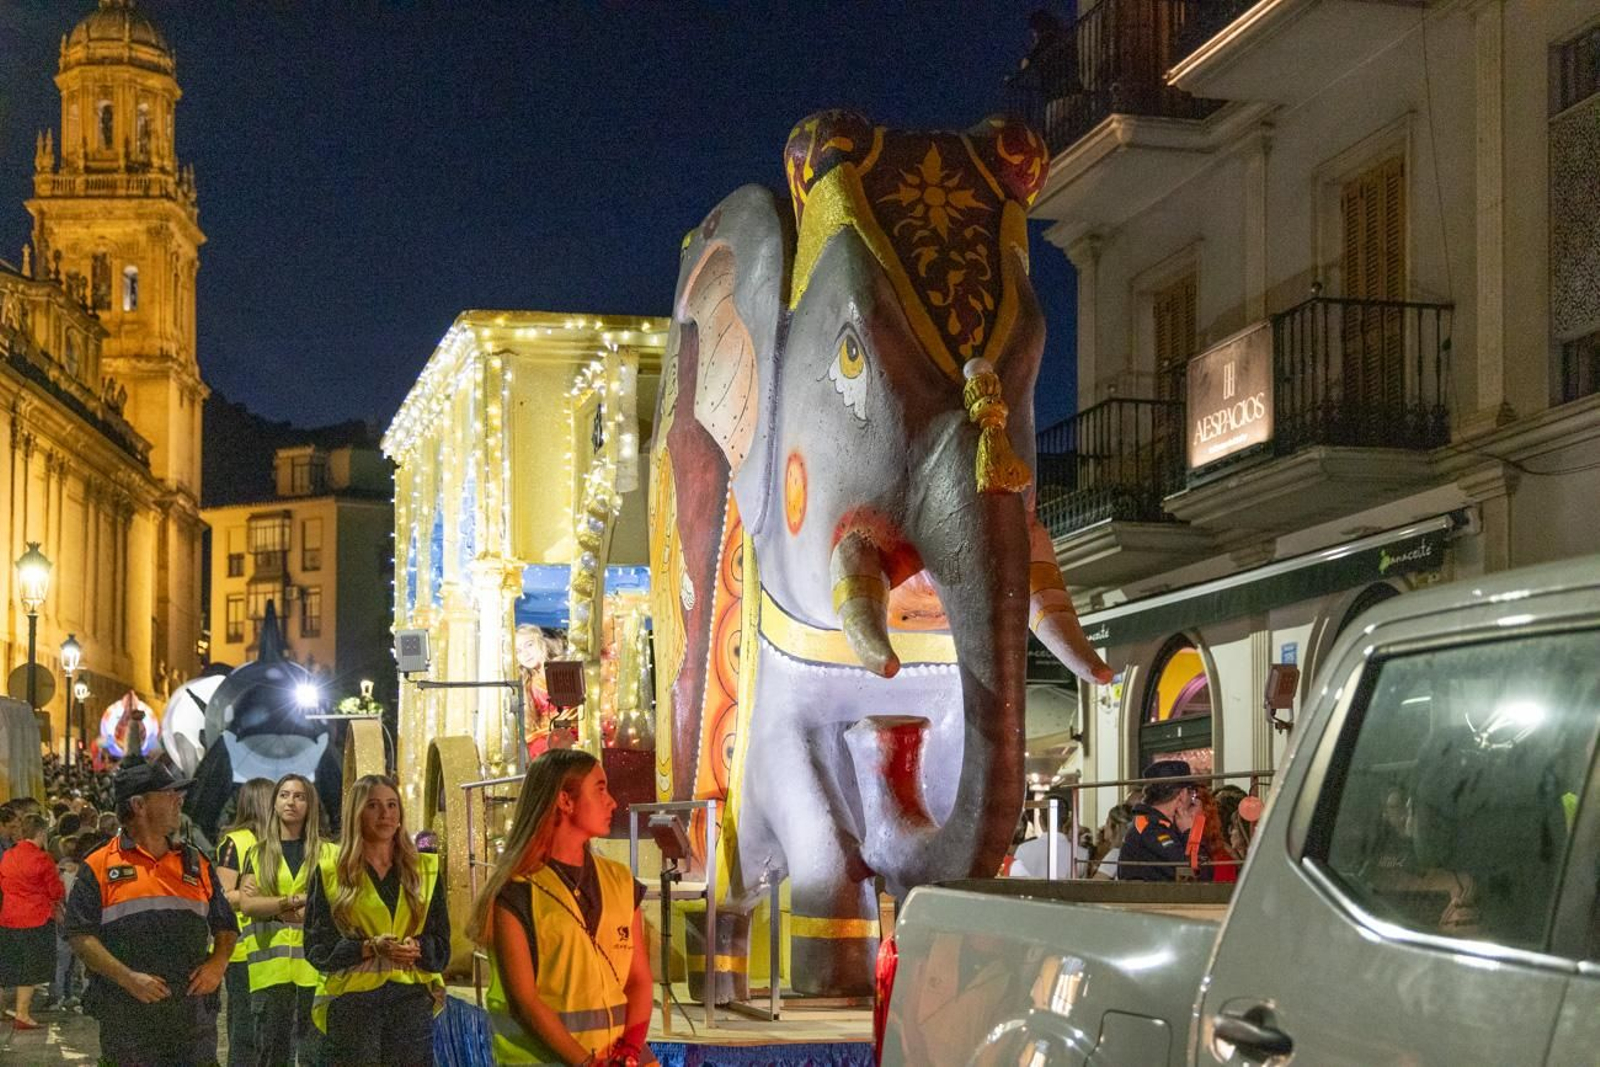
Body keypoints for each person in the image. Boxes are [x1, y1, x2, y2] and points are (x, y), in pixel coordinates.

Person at [472, 749, 658, 1066]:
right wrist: (585, 1062)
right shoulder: (517, 892)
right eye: (600, 789)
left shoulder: (621, 882)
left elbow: (638, 980)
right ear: (565, 801)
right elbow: (524, 1002)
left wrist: (629, 1050)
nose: (612, 801)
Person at [66, 760, 236, 1065]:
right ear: (139, 804)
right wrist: (128, 978)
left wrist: (217, 963)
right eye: (168, 794)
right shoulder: (99, 865)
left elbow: (226, 924)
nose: (178, 801)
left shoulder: (195, 863)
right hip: (128, 1021)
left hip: (192, 1021)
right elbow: (79, 935)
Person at [305, 774, 450, 1066]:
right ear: (357, 814)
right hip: (353, 1005)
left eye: (392, 804)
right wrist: (369, 947)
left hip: (410, 1001)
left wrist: (417, 947)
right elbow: (316, 947)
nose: (385, 814)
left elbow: (443, 943)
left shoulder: (426, 868)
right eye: (373, 805)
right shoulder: (330, 871)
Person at [239, 773, 334, 1067]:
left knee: (313, 1055)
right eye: (284, 795)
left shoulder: (330, 853)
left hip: (316, 970)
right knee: (271, 1055)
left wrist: (274, 907)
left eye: (299, 796)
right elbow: (248, 905)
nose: (290, 801)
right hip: (270, 972)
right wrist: (291, 902)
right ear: (274, 803)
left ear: (310, 805)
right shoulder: (258, 853)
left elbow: (334, 907)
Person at [216, 778, 275, 1067]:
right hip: (243, 951)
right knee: (245, 1030)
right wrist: (259, 894)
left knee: (268, 1032)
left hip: (274, 949)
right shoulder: (236, 841)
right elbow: (222, 896)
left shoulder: (279, 843)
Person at [0, 812, 66, 1029]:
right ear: (41, 832)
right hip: (36, 918)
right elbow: (56, 891)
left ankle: (5, 1009)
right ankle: (22, 1013)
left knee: (10, 964)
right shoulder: (42, 859)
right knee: (30, 968)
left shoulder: (8, 855)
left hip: (9, 917)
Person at [1118, 761, 1197, 882]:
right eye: (1191, 791)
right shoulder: (1150, 828)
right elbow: (1190, 872)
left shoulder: (1159, 824)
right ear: (1181, 794)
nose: (1193, 799)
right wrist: (1189, 832)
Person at [1090, 804, 1133, 879]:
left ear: (1116, 828)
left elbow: (1095, 886)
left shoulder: (1116, 854)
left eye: (1107, 822)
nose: (1104, 827)